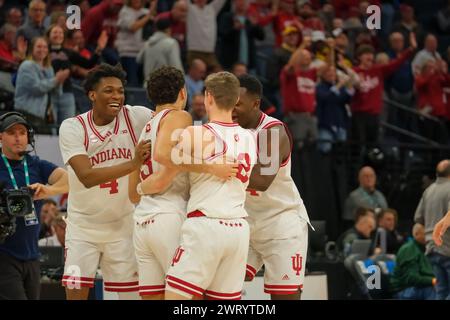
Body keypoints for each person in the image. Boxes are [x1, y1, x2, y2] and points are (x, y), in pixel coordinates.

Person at [129, 66, 236, 299]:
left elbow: (133, 194)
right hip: (170, 215)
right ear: (183, 92)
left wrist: (141, 187)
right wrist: (211, 166)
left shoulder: (144, 129)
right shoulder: (180, 116)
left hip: (142, 221)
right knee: (188, 297)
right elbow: (165, 162)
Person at [59, 63, 152, 300]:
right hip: (83, 229)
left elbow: (170, 119)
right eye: (109, 90)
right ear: (92, 94)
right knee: (76, 295)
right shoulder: (72, 127)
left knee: (131, 297)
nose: (117, 96)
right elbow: (87, 176)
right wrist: (133, 164)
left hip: (124, 227)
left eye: (120, 91)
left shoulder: (135, 117)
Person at [165, 71, 257, 300]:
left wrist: (209, 167)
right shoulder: (251, 138)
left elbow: (167, 158)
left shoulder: (197, 133)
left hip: (206, 224)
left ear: (208, 97)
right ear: (236, 100)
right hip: (238, 229)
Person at [233, 74, 310, 300]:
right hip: (245, 222)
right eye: (229, 103)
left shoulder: (273, 132)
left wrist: (217, 167)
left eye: (238, 104)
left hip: (280, 224)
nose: (232, 109)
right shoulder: (229, 130)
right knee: (216, 286)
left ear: (255, 103)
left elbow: (262, 180)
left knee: (283, 297)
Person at [0, 112, 68, 300]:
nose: (18, 137)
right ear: (1, 136)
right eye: (11, 132)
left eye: (22, 133)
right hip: (4, 254)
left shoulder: (36, 164)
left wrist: (47, 191)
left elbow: (69, 179)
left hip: (31, 256)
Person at [14, 37, 70, 133]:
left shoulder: (49, 68)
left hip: (42, 116)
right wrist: (56, 79)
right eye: (39, 46)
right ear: (32, 49)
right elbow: (37, 88)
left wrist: (60, 81)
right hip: (26, 114)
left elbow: (57, 93)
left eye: (45, 47)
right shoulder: (27, 65)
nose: (42, 49)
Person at [414, 159, 450, 300]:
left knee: (441, 291)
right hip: (447, 247)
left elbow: (418, 219)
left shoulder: (428, 190)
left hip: (431, 247)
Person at [115, 0, 157, 87]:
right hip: (128, 53)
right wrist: (148, 16)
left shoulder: (145, 11)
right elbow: (133, 27)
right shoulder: (125, 11)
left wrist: (152, 8)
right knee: (132, 82)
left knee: (144, 82)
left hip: (143, 53)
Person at [390, 224, 436, 300]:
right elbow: (411, 278)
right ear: (416, 234)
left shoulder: (427, 248)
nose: (430, 236)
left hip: (420, 287)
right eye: (427, 233)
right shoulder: (409, 249)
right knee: (435, 290)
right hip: (405, 289)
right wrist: (433, 281)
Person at [137, 17, 184, 85]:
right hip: (164, 87)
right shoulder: (171, 43)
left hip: (148, 85)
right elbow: (176, 66)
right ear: (168, 29)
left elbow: (138, 59)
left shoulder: (148, 43)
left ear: (156, 28)